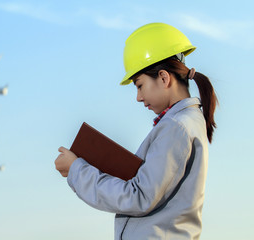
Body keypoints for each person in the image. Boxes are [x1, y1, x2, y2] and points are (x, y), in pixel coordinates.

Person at [55, 22, 217, 240]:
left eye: (139, 85)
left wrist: (77, 170)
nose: (138, 97)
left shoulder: (176, 127)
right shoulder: (184, 123)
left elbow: (139, 197)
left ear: (163, 78)